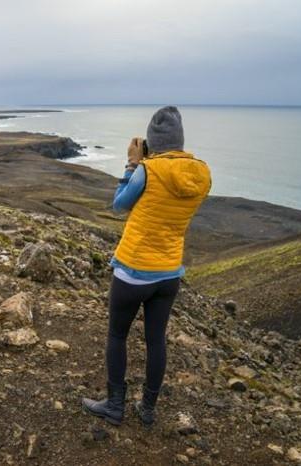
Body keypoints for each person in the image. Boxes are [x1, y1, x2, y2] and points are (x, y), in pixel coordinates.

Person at [81, 106, 211, 427]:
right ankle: (148, 409)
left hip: (134, 269)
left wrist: (132, 163)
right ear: (179, 140)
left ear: (152, 141)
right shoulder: (201, 173)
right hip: (169, 273)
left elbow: (119, 205)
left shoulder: (147, 170)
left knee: (117, 335)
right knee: (156, 340)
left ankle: (114, 406)